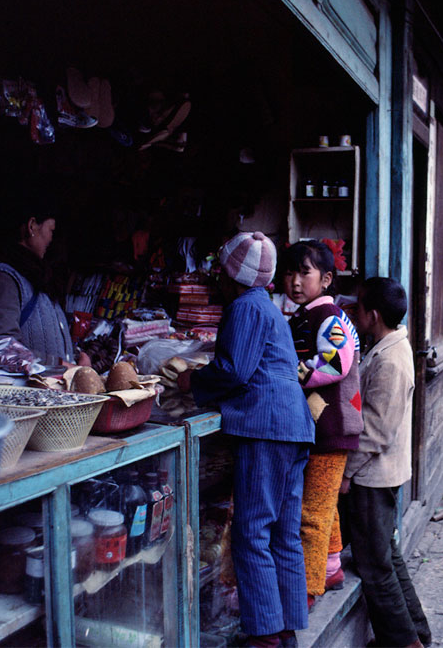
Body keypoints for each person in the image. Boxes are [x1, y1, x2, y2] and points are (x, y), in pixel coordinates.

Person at [190, 232, 315, 648]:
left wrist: (192, 381)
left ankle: (264, 634)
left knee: (252, 531)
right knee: (283, 532)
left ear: (232, 276)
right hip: (292, 427)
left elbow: (232, 370)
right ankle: (285, 627)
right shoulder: (267, 307)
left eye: (221, 273)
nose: (217, 281)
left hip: (267, 428)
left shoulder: (244, 307)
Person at [341, 277, 430, 648]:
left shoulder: (391, 359)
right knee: (387, 558)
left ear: (373, 315)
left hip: (373, 479)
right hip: (380, 475)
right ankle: (417, 634)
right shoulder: (388, 346)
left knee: (375, 568)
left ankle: (404, 643)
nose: (353, 312)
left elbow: (375, 430)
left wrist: (346, 472)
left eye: (358, 308)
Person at [282, 240, 364, 610]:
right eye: (289, 272)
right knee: (323, 506)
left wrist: (294, 374)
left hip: (330, 429)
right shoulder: (304, 315)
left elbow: (336, 363)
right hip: (321, 428)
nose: (295, 281)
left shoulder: (328, 315)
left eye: (305, 272)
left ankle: (308, 589)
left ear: (327, 279)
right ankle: (330, 568)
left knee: (311, 514)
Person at [0, 199, 77, 365]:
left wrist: (77, 357)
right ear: (32, 225)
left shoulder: (37, 278)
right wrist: (60, 365)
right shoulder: (3, 279)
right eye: (51, 230)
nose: (52, 239)